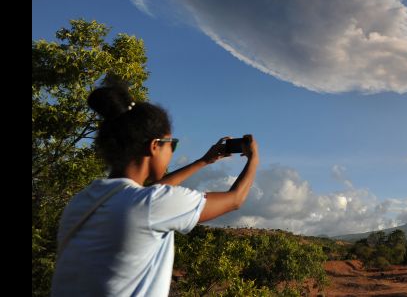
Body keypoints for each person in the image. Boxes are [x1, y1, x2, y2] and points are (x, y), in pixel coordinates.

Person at [50, 79, 259, 297]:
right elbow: (235, 199)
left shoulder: (82, 201)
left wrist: (203, 161)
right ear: (154, 146)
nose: (172, 152)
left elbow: (146, 195)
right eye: (172, 144)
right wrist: (253, 158)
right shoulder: (150, 206)